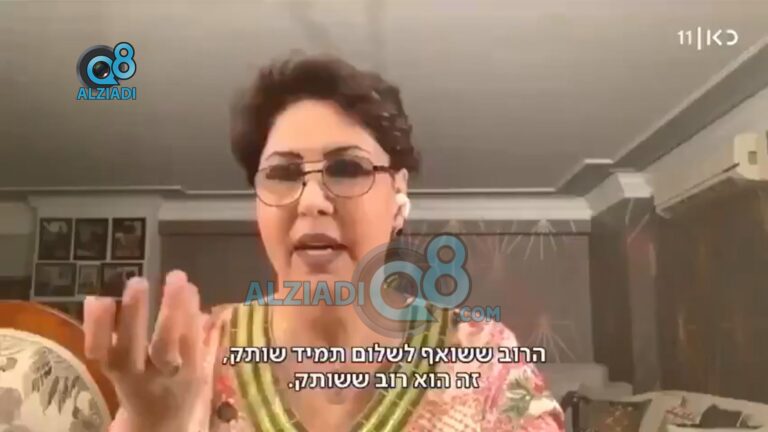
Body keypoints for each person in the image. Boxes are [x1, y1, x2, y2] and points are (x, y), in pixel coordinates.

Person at [84, 54, 565, 432]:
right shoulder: (193, 358)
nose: (311, 201)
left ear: (399, 196)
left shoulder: (485, 362)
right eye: (283, 173)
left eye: (347, 168)